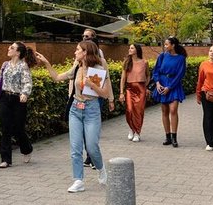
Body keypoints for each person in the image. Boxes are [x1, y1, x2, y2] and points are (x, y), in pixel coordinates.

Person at [36, 41, 110, 193]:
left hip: (91, 110)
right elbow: (57, 77)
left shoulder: (98, 69)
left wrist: (93, 85)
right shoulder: (77, 67)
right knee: (75, 148)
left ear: (85, 52)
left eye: (77, 50)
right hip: (75, 110)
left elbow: (105, 94)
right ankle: (78, 180)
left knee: (91, 146)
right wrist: (46, 63)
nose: (74, 52)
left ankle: (101, 169)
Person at [0, 42, 37, 169]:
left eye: (12, 48)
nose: (9, 49)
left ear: (18, 52)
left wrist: (25, 94)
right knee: (5, 129)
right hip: (5, 98)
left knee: (18, 128)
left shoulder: (23, 66)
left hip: (18, 100)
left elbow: (28, 82)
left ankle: (27, 149)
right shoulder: (5, 65)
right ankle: (5, 159)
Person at [79, 29, 114, 168]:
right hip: (80, 98)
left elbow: (106, 79)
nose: (84, 38)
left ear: (93, 38)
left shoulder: (100, 57)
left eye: (87, 36)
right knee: (82, 127)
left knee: (91, 128)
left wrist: (110, 98)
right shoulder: (79, 54)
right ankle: (89, 155)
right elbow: (74, 77)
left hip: (95, 96)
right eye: (83, 36)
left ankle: (92, 156)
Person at [152, 36, 187, 148]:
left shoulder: (181, 58)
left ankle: (174, 137)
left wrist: (170, 87)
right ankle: (167, 136)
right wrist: (157, 83)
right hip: (162, 84)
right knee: (164, 110)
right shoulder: (162, 56)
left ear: (173, 45)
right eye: (165, 44)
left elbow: (180, 74)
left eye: (167, 44)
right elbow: (156, 70)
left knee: (173, 109)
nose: (165, 46)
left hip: (174, 85)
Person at [119, 44, 150, 142]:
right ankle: (131, 129)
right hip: (129, 88)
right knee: (129, 110)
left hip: (141, 89)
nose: (129, 49)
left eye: (132, 48)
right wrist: (121, 92)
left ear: (137, 50)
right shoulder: (127, 62)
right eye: (130, 48)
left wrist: (145, 87)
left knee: (139, 112)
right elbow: (123, 78)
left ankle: (137, 132)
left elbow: (148, 75)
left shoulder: (144, 62)